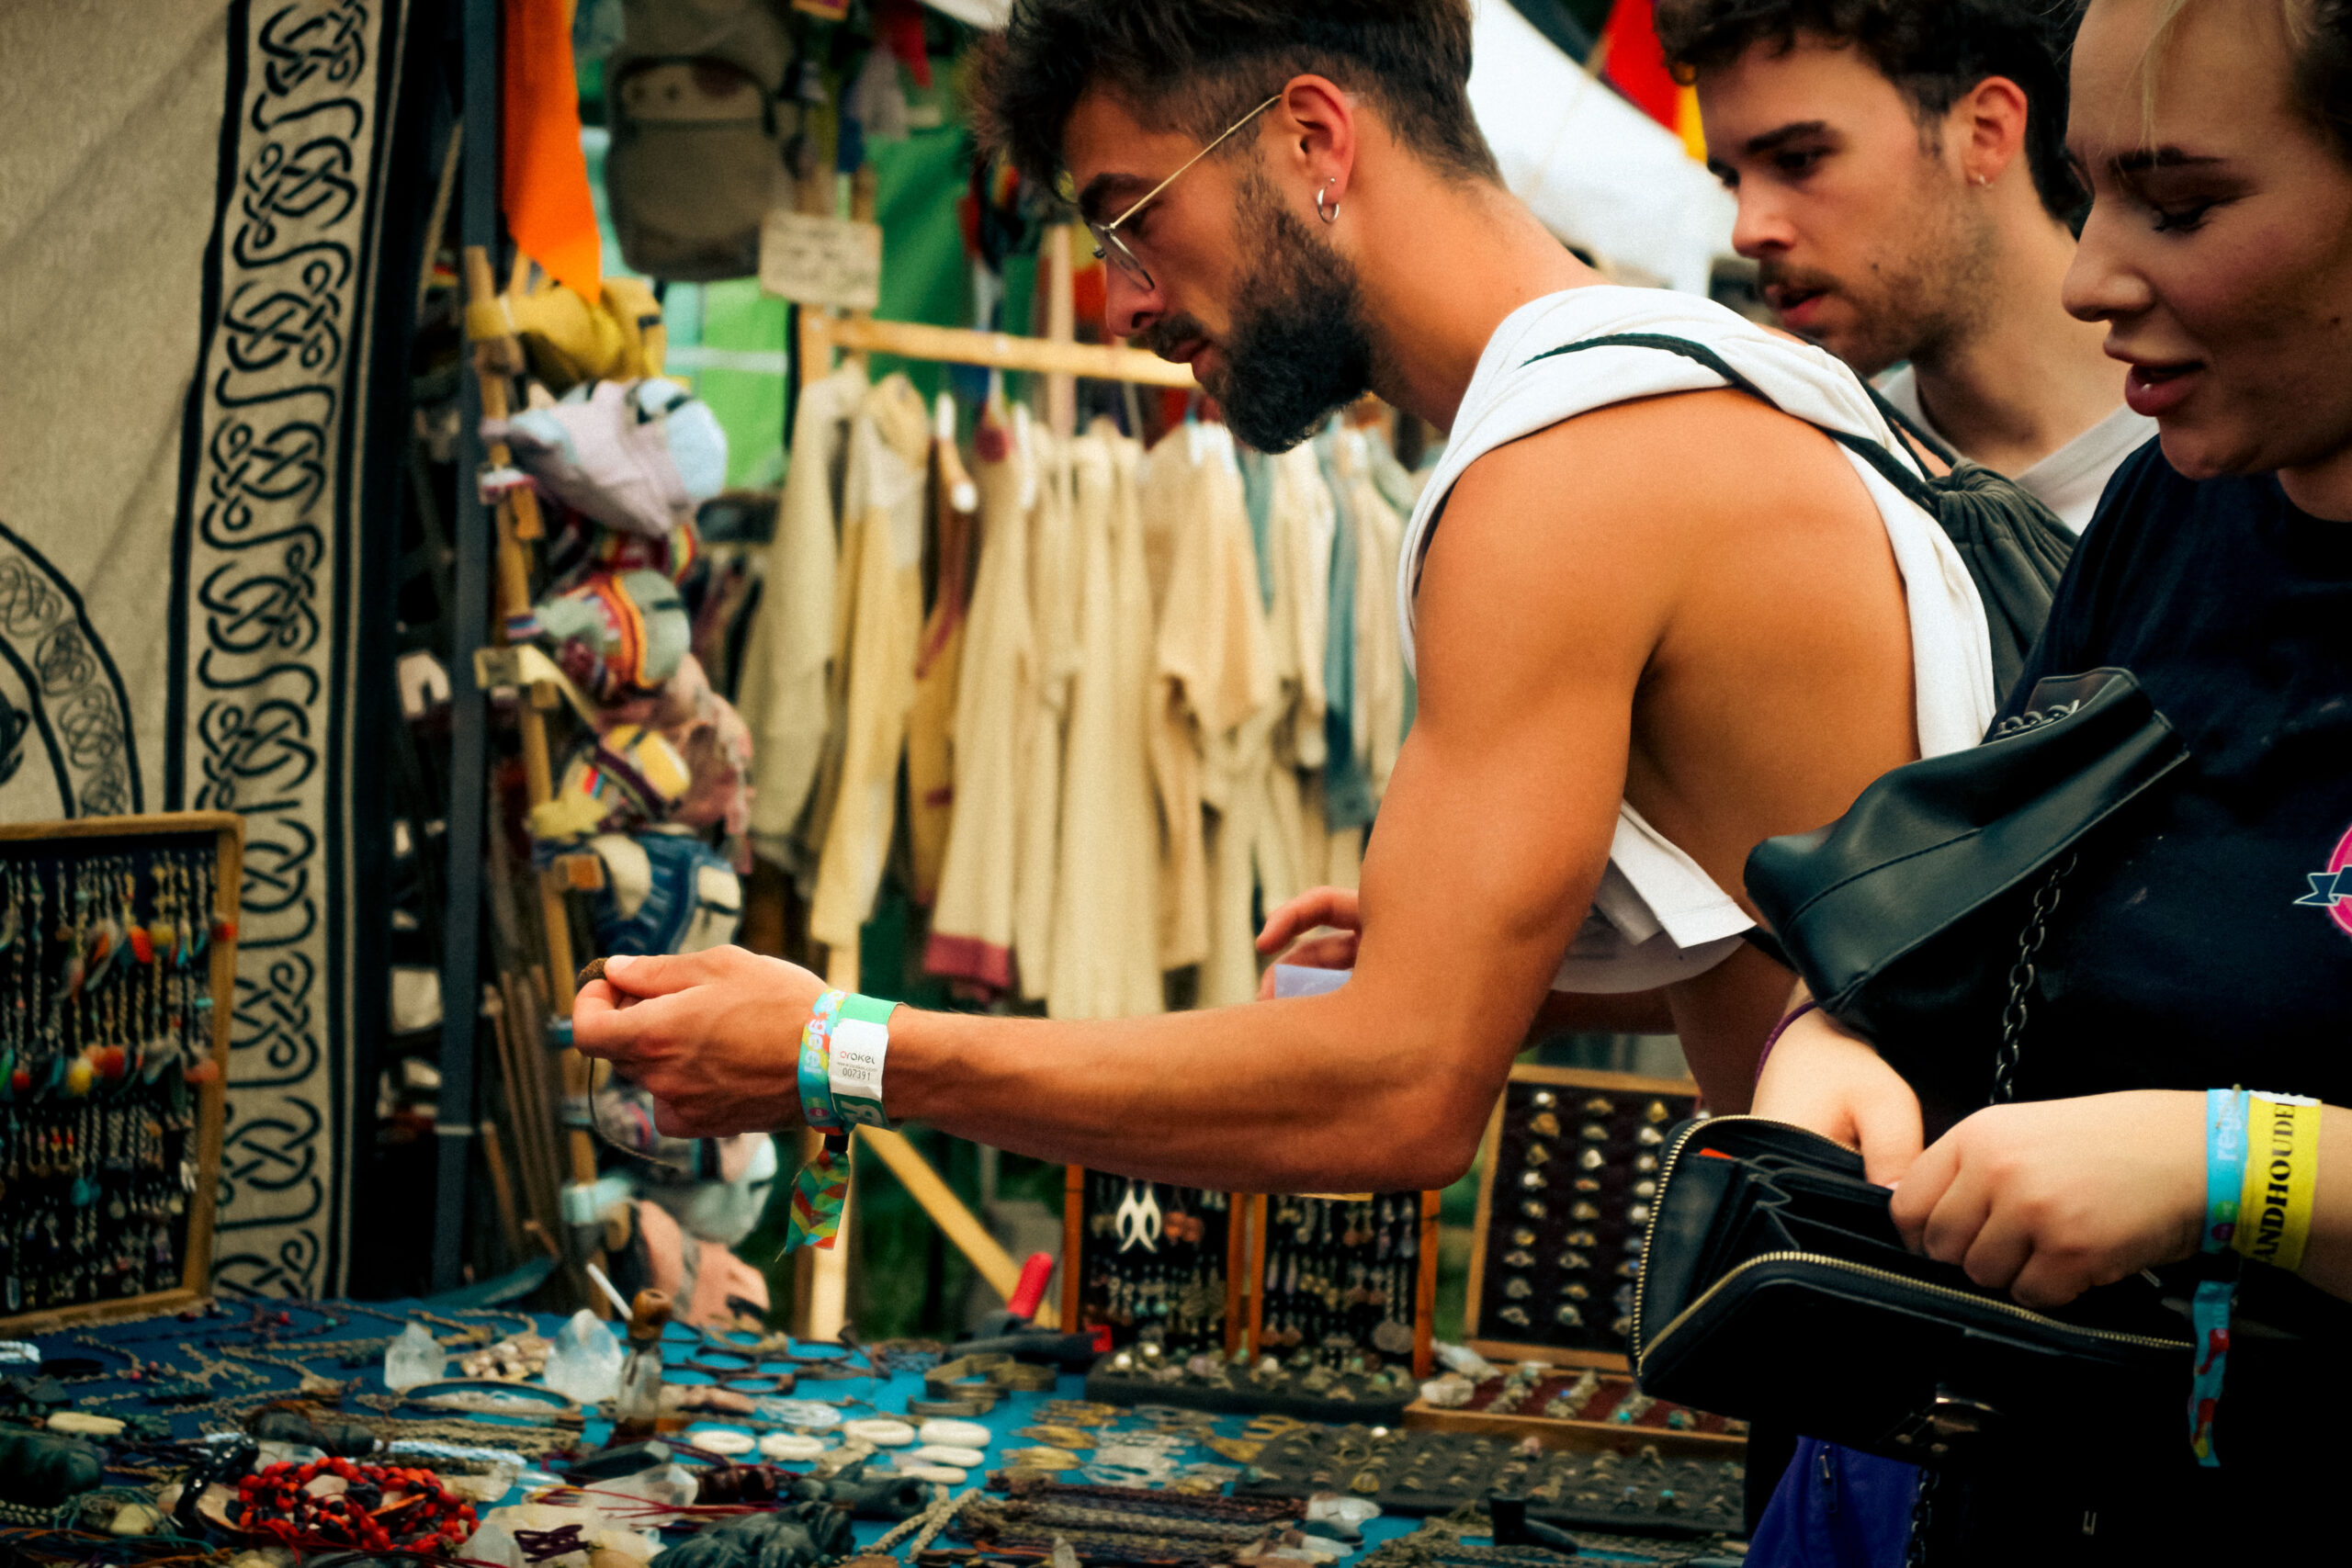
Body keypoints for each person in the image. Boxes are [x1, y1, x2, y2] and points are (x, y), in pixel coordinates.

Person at [570, 0, 2000, 1192]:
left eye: (1132, 220)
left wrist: (842, 1049)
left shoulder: (1570, 462)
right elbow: (1795, 918)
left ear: (1313, 139)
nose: (1123, 304)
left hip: (1917, 1376)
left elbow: (1399, 1096)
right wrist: (1534, 968)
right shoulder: (1703, 377)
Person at [1751, 0, 2352, 1553]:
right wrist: (1849, 1035)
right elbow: (2001, 883)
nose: (2090, 275)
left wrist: (2233, 1163)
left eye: (2185, 201)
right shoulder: (2169, 511)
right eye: (2091, 193)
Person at [1661, 0, 2154, 531]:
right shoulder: (1831, 494)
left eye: (1799, 159)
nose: (1747, 231)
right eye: (1731, 179)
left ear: (1984, 131)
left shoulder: (2229, 454)